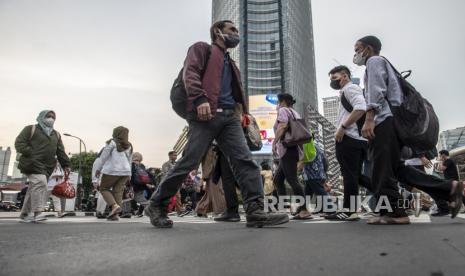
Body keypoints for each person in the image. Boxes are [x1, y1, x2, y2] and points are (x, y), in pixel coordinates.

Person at [145, 20, 289, 228]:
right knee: (189, 162)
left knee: (245, 162)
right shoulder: (202, 49)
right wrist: (199, 99)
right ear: (218, 32)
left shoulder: (231, 64)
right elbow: (191, 72)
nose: (236, 34)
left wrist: (242, 114)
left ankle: (256, 211)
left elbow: (235, 94)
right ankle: (157, 204)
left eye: (237, 30)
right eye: (231, 30)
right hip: (206, 115)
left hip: (230, 119)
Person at [354, 35, 463, 224]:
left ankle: (395, 213)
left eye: (357, 49)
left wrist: (369, 118)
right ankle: (450, 188)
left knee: (382, 168)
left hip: (384, 122)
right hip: (394, 123)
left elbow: (376, 90)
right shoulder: (382, 64)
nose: (355, 54)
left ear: (368, 49)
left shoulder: (375, 61)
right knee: (397, 170)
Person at [327, 65, 372, 221]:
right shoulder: (348, 90)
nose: (332, 80)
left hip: (349, 139)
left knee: (349, 176)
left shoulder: (350, 89)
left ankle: (349, 210)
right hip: (356, 139)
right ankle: (387, 191)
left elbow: (360, 107)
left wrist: (342, 128)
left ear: (344, 76)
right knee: (355, 176)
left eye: (334, 77)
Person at [15, 110, 70, 223]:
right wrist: (31, 153)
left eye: (53, 117)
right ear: (41, 117)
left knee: (33, 189)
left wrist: (66, 165)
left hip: (47, 167)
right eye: (48, 116)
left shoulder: (56, 134)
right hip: (31, 163)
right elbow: (19, 143)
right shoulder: (30, 129)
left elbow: (60, 151)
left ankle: (24, 215)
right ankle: (38, 213)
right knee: (40, 183)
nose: (51, 118)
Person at [272, 93, 312, 220]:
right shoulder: (295, 112)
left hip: (288, 149)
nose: (277, 105)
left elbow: (283, 125)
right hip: (292, 150)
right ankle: (284, 208)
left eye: (278, 102)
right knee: (278, 179)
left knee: (292, 179)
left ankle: (304, 210)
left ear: (282, 102)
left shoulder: (283, 110)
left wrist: (274, 141)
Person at [95, 126, 133, 221]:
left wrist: (98, 169)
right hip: (125, 171)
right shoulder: (129, 145)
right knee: (118, 192)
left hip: (112, 170)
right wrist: (130, 174)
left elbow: (103, 157)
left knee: (103, 188)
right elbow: (130, 160)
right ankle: (115, 215)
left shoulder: (111, 142)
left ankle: (114, 205)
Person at [161, 151, 183, 215]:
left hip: (176, 183)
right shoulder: (166, 164)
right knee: (167, 198)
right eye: (174, 155)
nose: (175, 157)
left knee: (178, 197)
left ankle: (180, 211)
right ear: (170, 156)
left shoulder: (177, 163)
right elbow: (166, 173)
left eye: (176, 155)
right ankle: (163, 210)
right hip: (168, 182)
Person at [130, 152, 150, 217]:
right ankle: (144, 211)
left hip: (135, 185)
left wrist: (130, 184)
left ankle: (152, 210)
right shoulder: (142, 165)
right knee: (140, 198)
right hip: (142, 184)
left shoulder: (132, 164)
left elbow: (131, 175)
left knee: (139, 198)